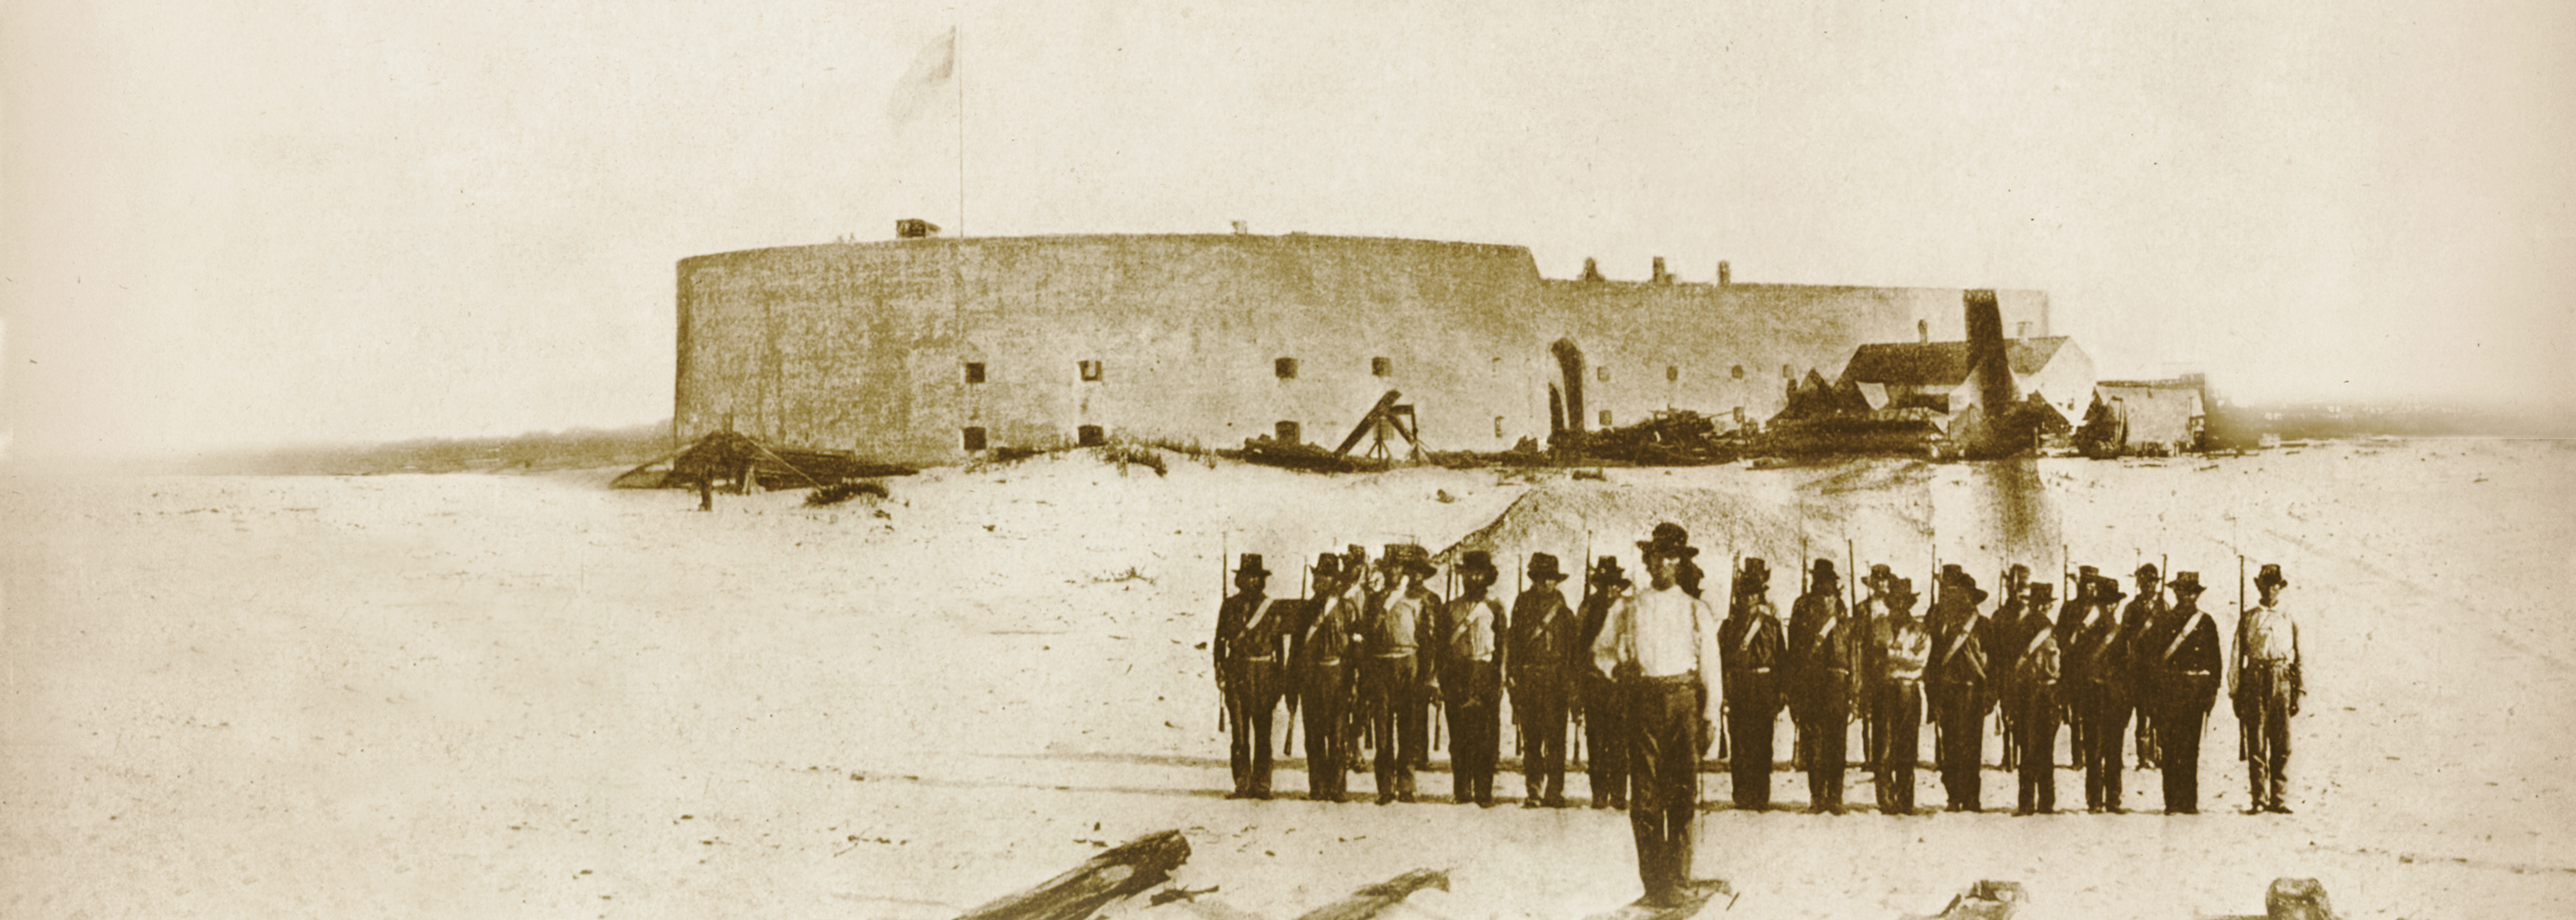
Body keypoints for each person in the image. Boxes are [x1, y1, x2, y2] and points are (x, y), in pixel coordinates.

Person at [1593, 523, 1721, 907]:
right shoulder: (1627, 607)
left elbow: (1711, 669)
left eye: (1671, 556)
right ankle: (1654, 884)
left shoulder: (1696, 609)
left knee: (1682, 797)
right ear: (1647, 560)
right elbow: (1601, 651)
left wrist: (1710, 713)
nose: (1662, 563)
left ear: (1680, 562)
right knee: (1646, 799)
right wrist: (1618, 669)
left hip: (1684, 703)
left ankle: (1678, 881)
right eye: (1656, 555)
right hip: (1644, 705)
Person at [1362, 544, 1441, 804]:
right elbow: (1367, 638)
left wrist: (1429, 675)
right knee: (1383, 731)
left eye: (1398, 568)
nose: (1394, 572)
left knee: (1408, 729)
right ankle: (1385, 788)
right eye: (1390, 568)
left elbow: (1428, 641)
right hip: (1381, 667)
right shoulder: (1374, 600)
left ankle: (1407, 786)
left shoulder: (1417, 600)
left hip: (1409, 665)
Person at [2144, 572, 2222, 814]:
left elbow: (2215, 662)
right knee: (2169, 746)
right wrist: (2155, 694)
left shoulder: (2206, 622)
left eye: (2190, 591)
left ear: (2196, 594)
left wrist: (2211, 693)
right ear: (2175, 592)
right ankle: (2171, 801)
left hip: (2195, 692)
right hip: (2170, 690)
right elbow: (2153, 660)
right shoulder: (2164, 620)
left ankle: (2189, 801)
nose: (2185, 595)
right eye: (2181, 590)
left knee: (2190, 748)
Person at [1214, 554, 1287, 799]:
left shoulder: (1271, 606)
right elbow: (1219, 641)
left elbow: (1279, 647)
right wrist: (1219, 668)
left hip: (1264, 674)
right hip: (1237, 673)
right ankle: (1242, 783)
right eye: (1246, 576)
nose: (1251, 581)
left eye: (1256, 577)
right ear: (1240, 579)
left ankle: (1263, 784)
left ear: (1262, 580)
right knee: (1240, 732)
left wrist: (1279, 678)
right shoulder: (1229, 605)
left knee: (1263, 732)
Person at [1509, 552, 1579, 808]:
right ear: (1534, 579)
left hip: (1555, 683)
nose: (1545, 583)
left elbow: (1572, 653)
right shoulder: (1521, 606)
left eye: (1550, 578)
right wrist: (1512, 677)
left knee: (1556, 741)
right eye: (1540, 578)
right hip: (1528, 680)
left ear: (1556, 581)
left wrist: (1571, 685)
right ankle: (1534, 791)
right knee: (1532, 741)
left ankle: (1555, 791)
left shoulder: (1564, 613)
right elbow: (1513, 643)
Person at [2232, 564, 2302, 814]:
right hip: (2254, 681)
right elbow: (2236, 656)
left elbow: (2298, 655)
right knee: (2257, 742)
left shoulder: (2288, 617)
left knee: (2282, 744)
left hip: (2282, 680)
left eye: (2275, 585)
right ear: (2259, 586)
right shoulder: (2249, 617)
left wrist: (2298, 691)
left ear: (2279, 588)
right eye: (2267, 584)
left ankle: (2278, 798)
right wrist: (2235, 691)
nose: (2271, 590)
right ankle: (2259, 798)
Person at [1788, 559, 1856, 813]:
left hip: (1833, 681)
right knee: (1816, 742)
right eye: (1821, 579)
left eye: (1827, 579)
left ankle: (1832, 798)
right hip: (1815, 680)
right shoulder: (1805, 605)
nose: (1824, 584)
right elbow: (1794, 646)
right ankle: (1820, 796)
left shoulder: (1837, 607)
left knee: (1833, 741)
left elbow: (1849, 648)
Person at [1721, 557, 1786, 810]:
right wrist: (1725, 693)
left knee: (1762, 743)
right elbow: (1723, 661)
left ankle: (1760, 795)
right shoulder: (1728, 626)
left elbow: (1781, 659)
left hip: (1764, 686)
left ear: (1760, 596)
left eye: (1753, 595)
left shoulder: (1770, 624)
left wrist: (1781, 691)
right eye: (1744, 595)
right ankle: (1741, 794)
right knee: (1739, 743)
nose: (1749, 599)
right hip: (1738, 686)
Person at [1293, 553, 1358, 802]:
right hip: (1311, 679)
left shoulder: (1347, 607)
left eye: (1326, 577)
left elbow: (1355, 651)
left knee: (1338, 735)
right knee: (1313, 736)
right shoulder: (1306, 609)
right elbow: (1296, 650)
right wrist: (1293, 684)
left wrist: (1353, 683)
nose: (1319, 581)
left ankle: (1338, 788)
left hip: (1338, 676)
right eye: (1317, 577)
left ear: (1335, 581)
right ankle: (1317, 787)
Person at [1445, 551, 1507, 806]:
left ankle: (1483, 791)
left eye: (1479, 573)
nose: (1473, 578)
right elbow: (1442, 646)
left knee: (1485, 736)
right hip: (1458, 672)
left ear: (1487, 577)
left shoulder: (1495, 607)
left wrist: (1501, 678)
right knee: (1458, 735)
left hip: (1485, 672)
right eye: (1469, 573)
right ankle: (1462, 790)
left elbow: (1503, 646)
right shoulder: (1450, 608)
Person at [1928, 573, 1991, 812]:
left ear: (1972, 598)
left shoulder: (1984, 625)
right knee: (1951, 746)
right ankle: (1954, 796)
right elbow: (1934, 661)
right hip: (1948, 692)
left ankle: (1972, 798)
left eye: (1965, 596)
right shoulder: (1943, 625)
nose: (1961, 600)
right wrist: (1934, 695)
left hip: (1974, 693)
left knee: (1972, 748)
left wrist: (1990, 695)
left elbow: (1993, 662)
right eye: (1956, 595)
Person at [2071, 575, 2134, 812]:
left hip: (2116, 699)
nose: (2108, 607)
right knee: (2094, 752)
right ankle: (2094, 800)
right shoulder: (2086, 634)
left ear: (2116, 605)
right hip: (2092, 697)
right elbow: (2078, 668)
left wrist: (2127, 703)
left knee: (2115, 752)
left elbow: (2129, 672)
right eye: (2104, 603)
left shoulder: (2123, 634)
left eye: (2112, 603)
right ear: (2098, 605)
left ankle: (2113, 800)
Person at [1575, 556, 1634, 809]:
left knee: (1620, 742)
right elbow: (1577, 648)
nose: (1610, 589)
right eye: (1605, 584)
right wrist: (1578, 685)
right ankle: (1599, 794)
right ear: (1598, 585)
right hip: (1595, 682)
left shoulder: (1629, 609)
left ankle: (1619, 794)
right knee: (1596, 741)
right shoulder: (1588, 607)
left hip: (1621, 684)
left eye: (1614, 584)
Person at [1871, 578, 1929, 814]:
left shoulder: (1920, 629)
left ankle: (1905, 799)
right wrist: (1898, 656)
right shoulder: (1879, 625)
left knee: (1907, 746)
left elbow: (1920, 660)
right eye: (1895, 602)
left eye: (1903, 603)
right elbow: (1872, 658)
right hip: (1884, 688)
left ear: (1909, 604)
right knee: (1883, 745)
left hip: (1908, 688)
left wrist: (1891, 655)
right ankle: (1885, 799)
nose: (1899, 607)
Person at [2007, 583, 2061, 814]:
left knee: (2030, 749)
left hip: (2036, 693)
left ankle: (2030, 802)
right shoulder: (2033, 629)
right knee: (2041, 750)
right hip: (2037, 693)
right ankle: (2042, 802)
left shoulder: (2031, 629)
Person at [2125, 564, 2169, 769]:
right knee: (2143, 715)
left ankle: (2160, 755)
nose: (2147, 586)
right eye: (2144, 583)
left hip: (2160, 668)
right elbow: (2125, 637)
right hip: (2140, 669)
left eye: (2151, 582)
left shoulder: (2165, 607)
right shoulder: (2132, 608)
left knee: (2160, 715)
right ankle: (2143, 757)